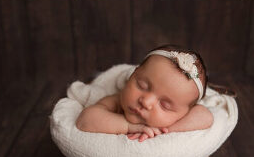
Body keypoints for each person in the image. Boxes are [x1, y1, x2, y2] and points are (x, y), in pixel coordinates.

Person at [76, 45, 214, 142]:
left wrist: (164, 129)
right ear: (132, 75)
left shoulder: (179, 118)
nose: (146, 102)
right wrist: (129, 127)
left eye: (164, 105)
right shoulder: (117, 101)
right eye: (142, 86)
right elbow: (85, 120)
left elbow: (206, 117)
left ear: (185, 113)